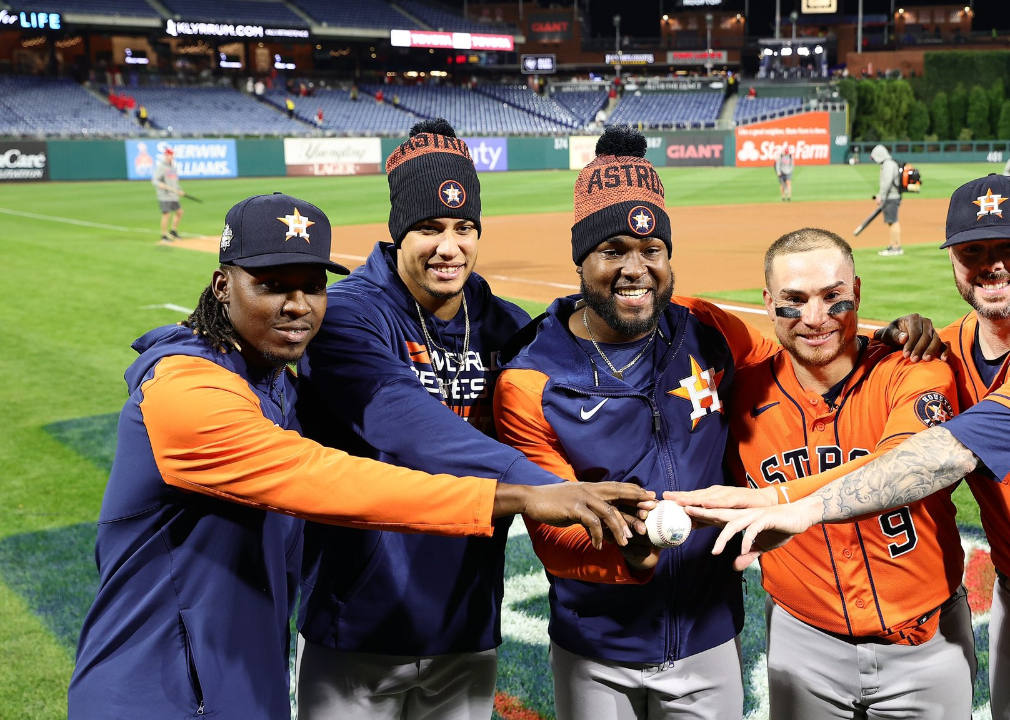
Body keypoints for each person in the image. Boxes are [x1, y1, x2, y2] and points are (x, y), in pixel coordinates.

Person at [68, 193, 652, 720]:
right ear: (224, 286)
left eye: (311, 284)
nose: (298, 305)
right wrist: (519, 494)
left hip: (241, 682)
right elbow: (321, 478)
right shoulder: (186, 387)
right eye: (271, 284)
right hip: (150, 692)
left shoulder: (276, 387)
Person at [683, 174, 1010, 720]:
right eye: (972, 251)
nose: (990, 264)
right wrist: (905, 336)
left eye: (1008, 247)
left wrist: (793, 504)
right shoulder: (948, 352)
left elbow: (946, 454)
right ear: (954, 260)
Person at [294, 119, 613, 720]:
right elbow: (404, 423)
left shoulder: (504, 323)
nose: (450, 246)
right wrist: (546, 491)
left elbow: (578, 399)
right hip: (358, 625)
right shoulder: (347, 318)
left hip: (465, 623)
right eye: (430, 229)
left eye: (465, 228)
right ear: (397, 233)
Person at [491, 126, 781, 720]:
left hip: (707, 638)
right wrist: (629, 556)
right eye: (614, 251)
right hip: (595, 651)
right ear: (582, 259)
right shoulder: (531, 378)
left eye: (652, 251)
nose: (636, 269)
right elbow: (550, 531)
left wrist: (883, 344)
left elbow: (795, 370)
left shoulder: (708, 330)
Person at [676, 228, 975, 719]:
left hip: (928, 644)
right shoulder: (741, 393)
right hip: (802, 642)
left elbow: (907, 459)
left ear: (857, 291)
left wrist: (781, 500)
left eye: (832, 297)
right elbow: (666, 308)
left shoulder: (915, 369)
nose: (814, 319)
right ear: (768, 303)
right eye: (793, 300)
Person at [871, 144, 904, 256]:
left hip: (891, 197)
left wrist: (881, 196)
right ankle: (893, 246)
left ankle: (896, 247)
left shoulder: (888, 165)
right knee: (892, 221)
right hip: (893, 196)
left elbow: (887, 182)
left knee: (893, 221)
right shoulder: (890, 163)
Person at [152, 146, 183, 243]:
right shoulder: (161, 166)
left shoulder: (173, 167)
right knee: (166, 214)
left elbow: (175, 182)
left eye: (172, 155)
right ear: (166, 155)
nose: (171, 157)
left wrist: (179, 190)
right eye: (169, 155)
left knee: (179, 212)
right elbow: (155, 180)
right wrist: (159, 184)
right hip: (164, 195)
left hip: (173, 195)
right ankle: (164, 235)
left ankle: (173, 231)